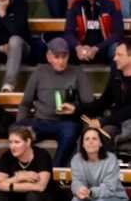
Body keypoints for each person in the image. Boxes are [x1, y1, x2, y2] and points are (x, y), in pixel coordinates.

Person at [16, 37, 93, 168]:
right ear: (49, 57)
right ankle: (27, 168)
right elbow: (25, 104)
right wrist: (20, 125)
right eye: (57, 57)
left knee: (70, 132)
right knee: (15, 130)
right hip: (41, 121)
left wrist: (74, 108)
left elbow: (89, 104)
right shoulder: (39, 72)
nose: (61, 61)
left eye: (64, 57)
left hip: (66, 123)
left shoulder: (77, 72)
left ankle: (55, 169)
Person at [69, 126, 129, 201]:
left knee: (98, 200)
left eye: (94, 138)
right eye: (87, 139)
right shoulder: (76, 159)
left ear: (100, 143)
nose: (90, 142)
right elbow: (76, 182)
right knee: (76, 200)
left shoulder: (110, 159)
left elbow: (109, 188)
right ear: (82, 144)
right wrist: (79, 189)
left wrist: (91, 192)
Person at [65, 0, 124, 64]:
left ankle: (114, 73)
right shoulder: (74, 2)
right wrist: (78, 47)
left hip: (104, 49)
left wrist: (96, 48)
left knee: (116, 48)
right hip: (81, 50)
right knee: (62, 44)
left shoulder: (112, 2)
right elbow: (68, 32)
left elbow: (118, 33)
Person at [82, 35, 131, 143]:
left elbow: (129, 110)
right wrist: (76, 109)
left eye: (119, 55)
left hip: (126, 121)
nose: (114, 58)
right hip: (118, 121)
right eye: (115, 54)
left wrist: (103, 121)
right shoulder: (116, 75)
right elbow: (104, 101)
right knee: (92, 134)